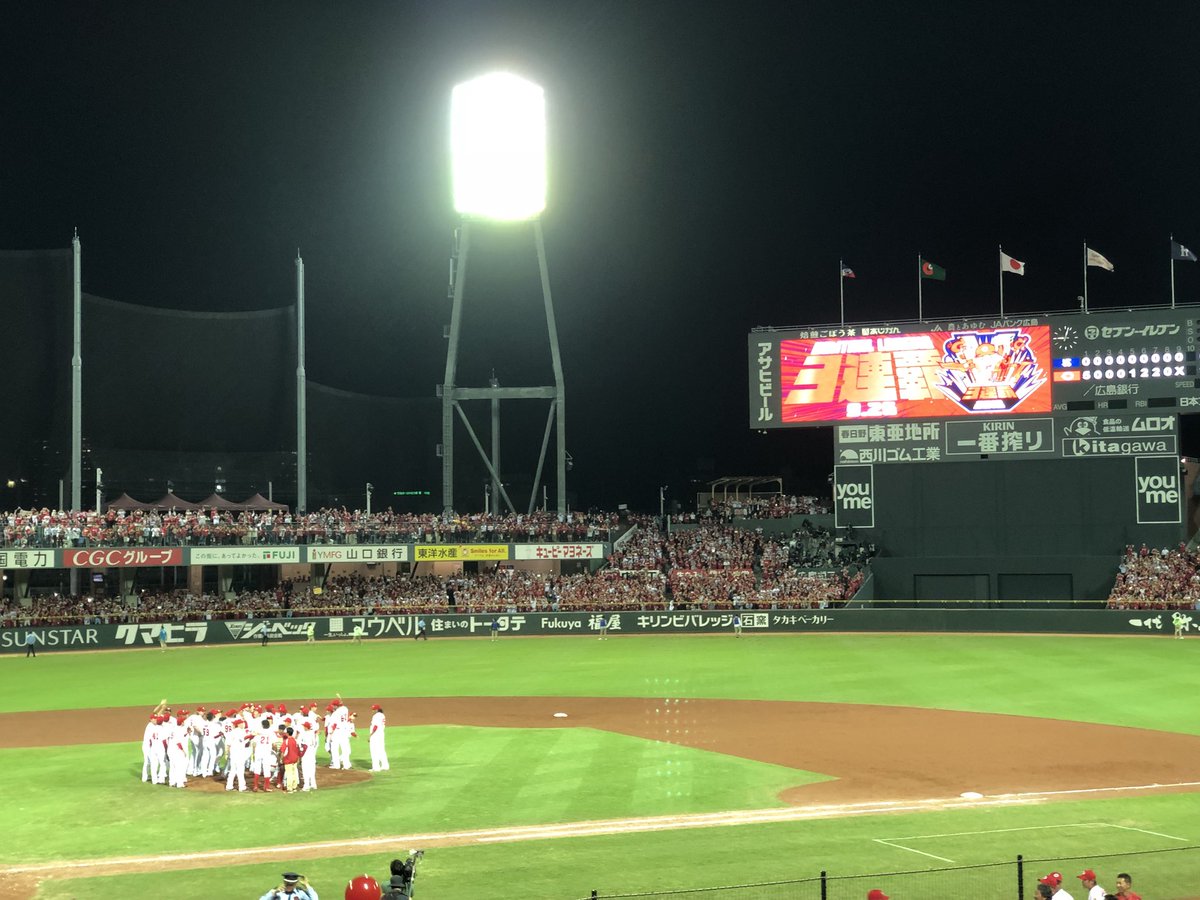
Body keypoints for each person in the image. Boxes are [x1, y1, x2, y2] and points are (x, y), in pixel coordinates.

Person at [369, 704, 389, 772]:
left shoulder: (376, 716)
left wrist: (371, 735)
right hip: (381, 735)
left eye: (374, 709)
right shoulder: (382, 715)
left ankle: (376, 767)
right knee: (381, 750)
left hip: (375, 735)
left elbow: (375, 726)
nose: (373, 711)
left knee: (374, 751)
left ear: (377, 709)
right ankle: (385, 766)